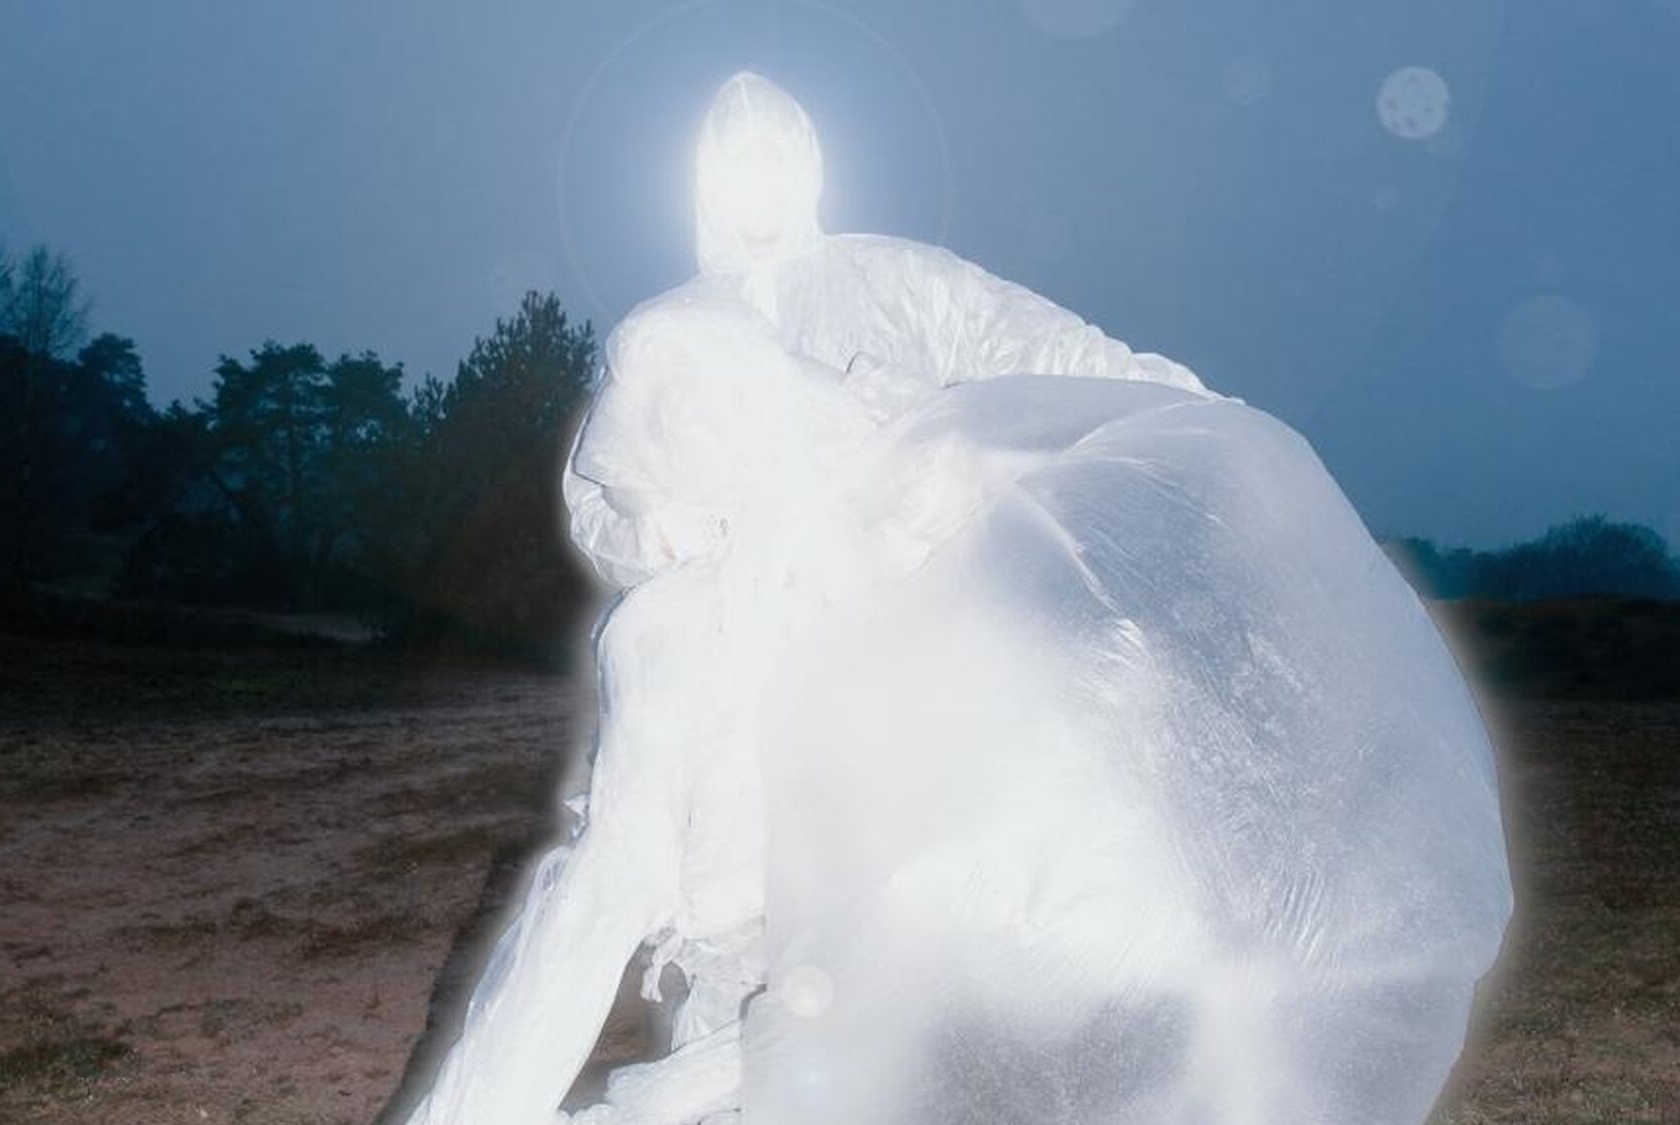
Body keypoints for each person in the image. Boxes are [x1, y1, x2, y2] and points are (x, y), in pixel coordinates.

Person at [401, 72, 1512, 1125]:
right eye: (731, 167)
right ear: (702, 185)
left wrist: (1203, 418)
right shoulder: (667, 331)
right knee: (711, 920)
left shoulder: (896, 283)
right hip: (731, 657)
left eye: (772, 160)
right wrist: (652, 533)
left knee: (942, 909)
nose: (755, 186)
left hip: (892, 646)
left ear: (805, 170)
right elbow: (602, 493)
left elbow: (1052, 353)